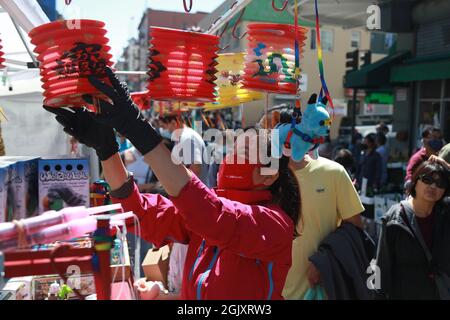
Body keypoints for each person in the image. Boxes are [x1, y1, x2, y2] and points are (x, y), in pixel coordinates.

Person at [44, 67, 302, 300]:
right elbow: (140, 210)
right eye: (233, 151)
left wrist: (136, 127)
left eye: (244, 154)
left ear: (269, 175)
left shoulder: (274, 224)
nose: (232, 158)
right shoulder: (207, 212)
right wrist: (106, 150)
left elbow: (213, 216)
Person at [266, 104, 365, 300]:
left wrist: (325, 260)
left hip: (319, 289)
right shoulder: (263, 177)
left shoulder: (334, 173)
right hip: (269, 290)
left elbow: (355, 228)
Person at [375, 158, 450, 299]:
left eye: (440, 183)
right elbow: (381, 265)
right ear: (415, 182)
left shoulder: (445, 213)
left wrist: (447, 167)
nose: (433, 186)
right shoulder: (395, 218)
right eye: (427, 179)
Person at [158, 113, 211, 294]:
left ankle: (183, 290)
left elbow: (195, 167)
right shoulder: (184, 137)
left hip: (192, 202)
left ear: (174, 122)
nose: (166, 131)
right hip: (189, 200)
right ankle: (181, 288)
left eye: (166, 126)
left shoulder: (187, 137)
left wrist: (182, 191)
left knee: (186, 249)